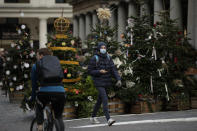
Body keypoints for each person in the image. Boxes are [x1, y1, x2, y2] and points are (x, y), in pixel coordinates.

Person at [30, 48, 65, 131]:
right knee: (58, 116)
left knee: (39, 107)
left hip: (44, 93)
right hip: (60, 92)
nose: (37, 57)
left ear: (41, 55)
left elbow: (34, 84)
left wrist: (33, 98)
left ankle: (40, 126)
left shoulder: (36, 65)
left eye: (37, 55)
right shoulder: (57, 63)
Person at [88, 42, 122, 126]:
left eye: (105, 47)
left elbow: (113, 69)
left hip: (106, 82)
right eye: (102, 47)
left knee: (100, 100)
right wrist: (99, 71)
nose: (104, 49)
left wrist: (118, 79)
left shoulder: (108, 57)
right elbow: (90, 71)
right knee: (105, 99)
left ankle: (92, 117)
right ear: (99, 48)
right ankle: (108, 119)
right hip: (98, 82)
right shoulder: (94, 58)